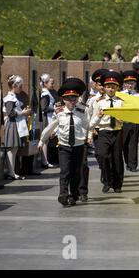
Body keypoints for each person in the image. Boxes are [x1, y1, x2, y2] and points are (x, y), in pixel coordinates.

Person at [38, 79, 101, 207]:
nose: (72, 102)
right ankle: (63, 194)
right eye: (69, 99)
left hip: (78, 146)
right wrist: (41, 141)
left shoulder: (81, 113)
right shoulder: (60, 113)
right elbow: (50, 127)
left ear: (77, 99)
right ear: (64, 100)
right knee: (64, 172)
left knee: (75, 172)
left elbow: (88, 126)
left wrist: (97, 117)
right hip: (64, 146)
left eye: (74, 99)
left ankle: (74, 195)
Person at [93, 71, 125, 193]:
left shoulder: (121, 102)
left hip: (117, 131)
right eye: (108, 87)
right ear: (105, 88)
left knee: (117, 158)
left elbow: (126, 118)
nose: (110, 89)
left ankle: (117, 184)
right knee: (103, 155)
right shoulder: (100, 103)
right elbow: (94, 118)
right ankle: (107, 181)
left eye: (113, 87)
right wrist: (92, 130)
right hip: (104, 131)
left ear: (117, 88)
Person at [2, 75, 32, 180]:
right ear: (14, 86)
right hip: (12, 124)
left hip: (15, 124)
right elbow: (10, 113)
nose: (21, 88)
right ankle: (11, 172)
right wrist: (22, 113)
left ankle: (12, 171)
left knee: (14, 149)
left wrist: (24, 112)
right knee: (11, 148)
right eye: (20, 86)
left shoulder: (13, 97)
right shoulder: (9, 98)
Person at [121, 70, 139, 172]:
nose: (130, 85)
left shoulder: (138, 96)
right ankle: (127, 162)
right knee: (124, 143)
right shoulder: (120, 95)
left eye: (132, 83)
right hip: (123, 122)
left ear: (135, 84)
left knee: (133, 143)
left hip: (134, 122)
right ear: (124, 84)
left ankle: (133, 164)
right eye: (128, 83)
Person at [39, 74, 56, 168]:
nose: (53, 85)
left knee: (46, 140)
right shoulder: (45, 94)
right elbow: (44, 107)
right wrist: (54, 109)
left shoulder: (48, 92)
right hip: (46, 117)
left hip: (49, 117)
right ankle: (44, 161)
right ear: (45, 83)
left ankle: (45, 160)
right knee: (44, 139)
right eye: (51, 83)